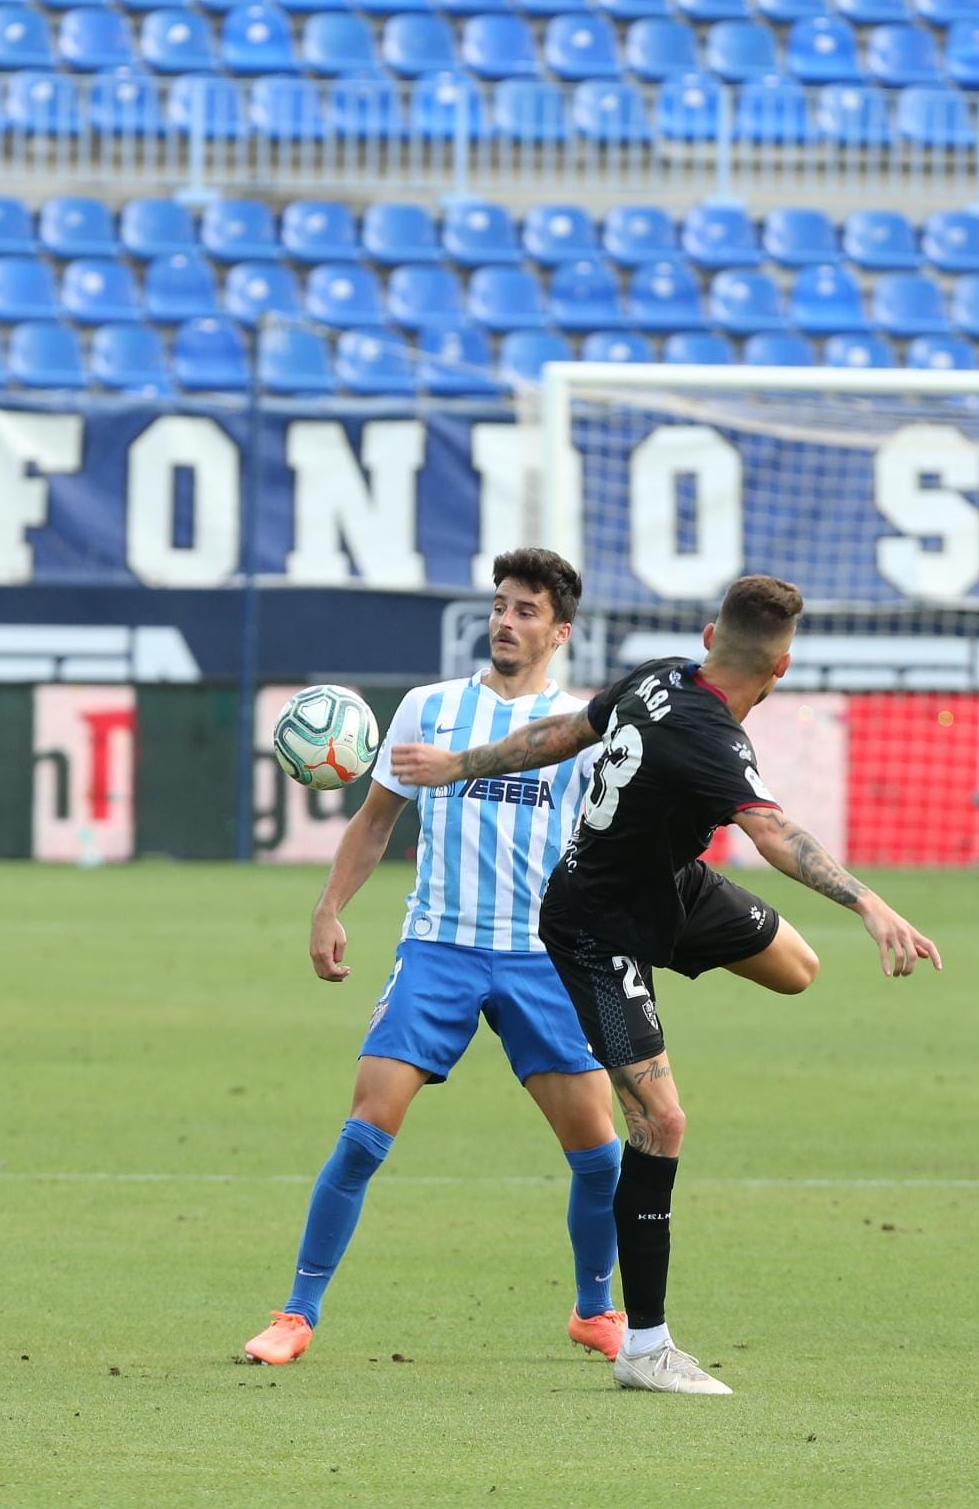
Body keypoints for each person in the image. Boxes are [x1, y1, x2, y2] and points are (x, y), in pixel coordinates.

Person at [392, 574, 942, 1397]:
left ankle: (643, 1004)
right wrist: (870, 903)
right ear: (782, 667)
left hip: (667, 886)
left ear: (709, 634)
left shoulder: (659, 674)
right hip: (594, 925)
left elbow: (561, 735)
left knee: (798, 969)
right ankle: (644, 1346)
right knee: (661, 1120)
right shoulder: (714, 741)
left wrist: (457, 765)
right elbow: (776, 835)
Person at [245, 548, 626, 1367]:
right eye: (499, 605)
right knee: (363, 1132)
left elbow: (607, 846)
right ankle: (296, 1314)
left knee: (601, 1156)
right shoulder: (430, 708)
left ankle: (596, 1310)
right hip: (439, 950)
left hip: (540, 960)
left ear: (560, 631)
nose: (504, 621)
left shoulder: (580, 730)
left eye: (526, 611)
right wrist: (328, 907)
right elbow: (377, 821)